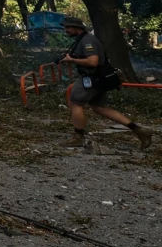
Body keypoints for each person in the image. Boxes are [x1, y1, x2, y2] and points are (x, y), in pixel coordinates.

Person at [60, 16, 153, 149]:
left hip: (93, 79)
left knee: (76, 103)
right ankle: (139, 130)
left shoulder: (87, 40)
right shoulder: (82, 39)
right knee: (99, 107)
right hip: (99, 79)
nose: (66, 30)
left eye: (68, 27)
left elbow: (93, 61)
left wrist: (72, 60)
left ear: (77, 27)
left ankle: (78, 137)